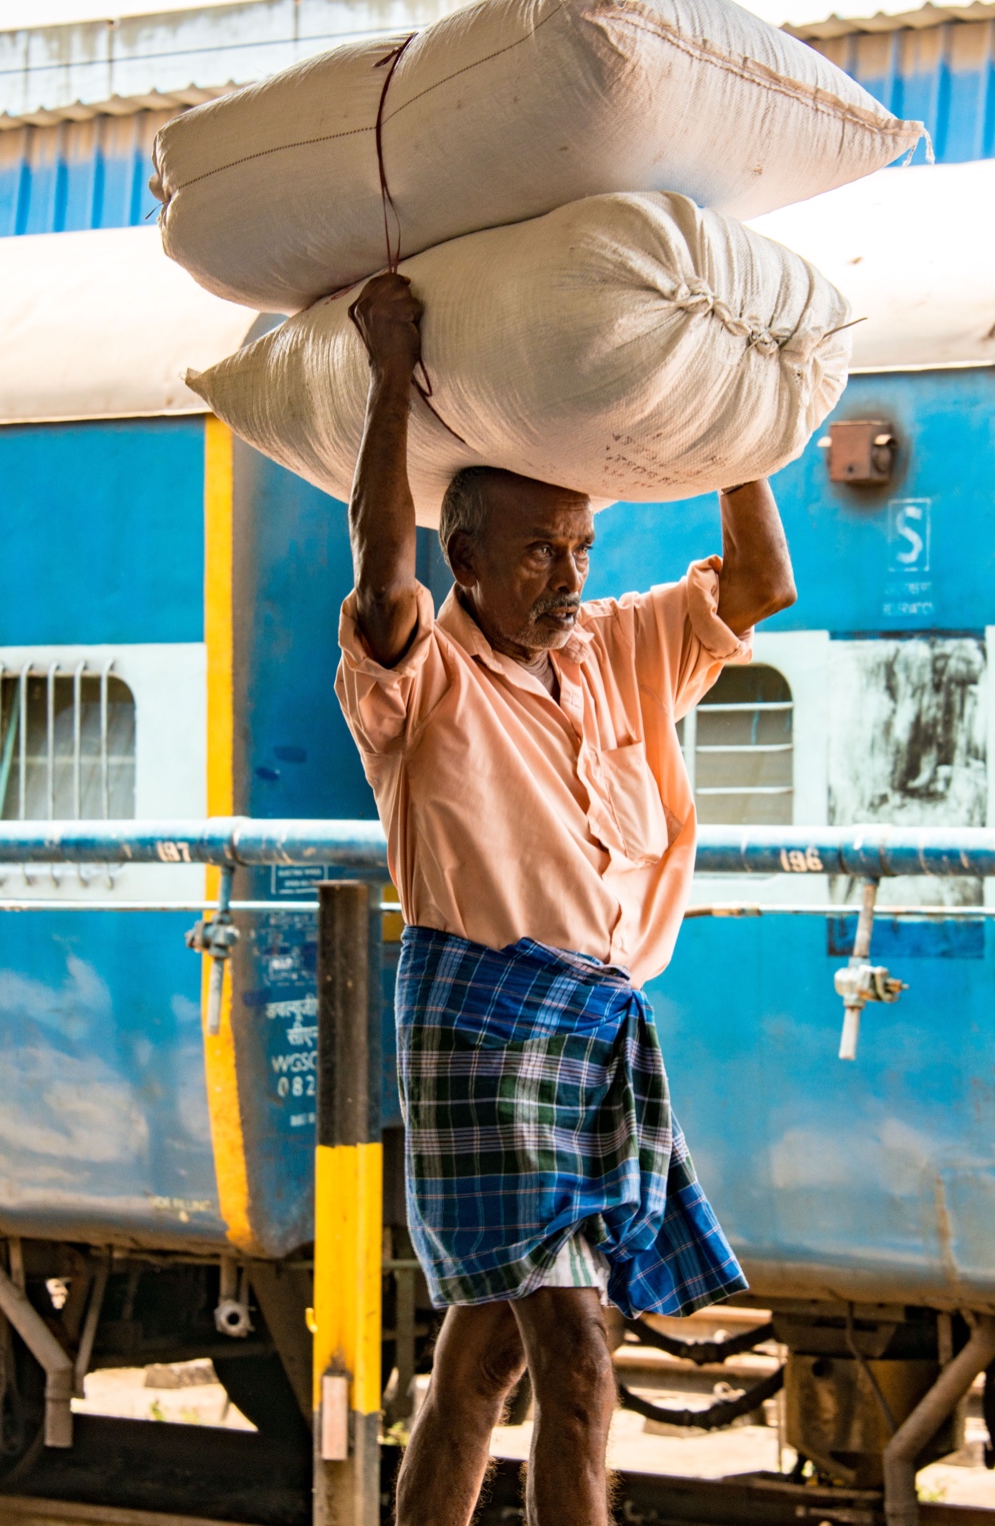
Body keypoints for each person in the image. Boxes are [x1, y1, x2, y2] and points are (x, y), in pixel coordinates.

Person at [335, 271, 797, 1526]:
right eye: (540, 550)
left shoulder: (618, 648)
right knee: (579, 1355)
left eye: (582, 547)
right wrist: (389, 376)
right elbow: (380, 581)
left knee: (479, 1358)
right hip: (481, 1032)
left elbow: (758, 580)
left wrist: (730, 412)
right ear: (464, 557)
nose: (568, 576)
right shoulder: (421, 681)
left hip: (593, 1032)